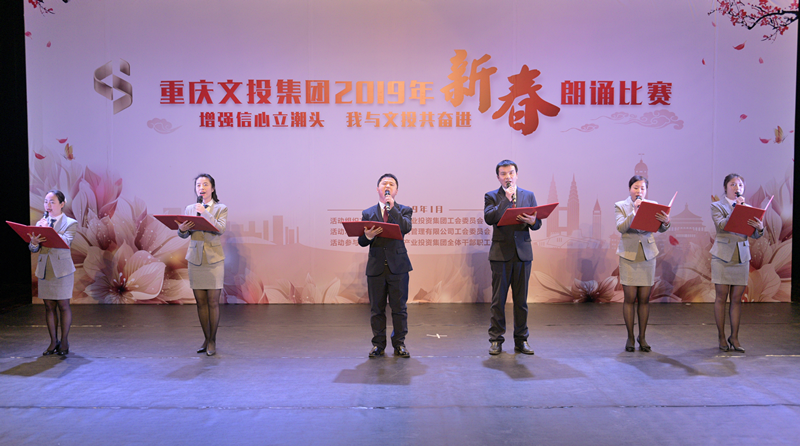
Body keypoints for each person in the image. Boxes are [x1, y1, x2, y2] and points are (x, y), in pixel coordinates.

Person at [484, 160, 541, 356]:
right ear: (498, 177)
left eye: (511, 173)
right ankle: (496, 339)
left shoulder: (528, 195)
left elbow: (537, 223)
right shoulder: (492, 196)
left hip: (522, 254)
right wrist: (506, 200)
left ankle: (521, 339)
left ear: (516, 175)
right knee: (498, 300)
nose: (508, 177)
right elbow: (490, 218)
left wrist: (533, 221)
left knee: (521, 301)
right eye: (503, 174)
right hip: (500, 254)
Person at [358, 173, 413, 358]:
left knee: (399, 309)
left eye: (391, 184)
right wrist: (368, 236)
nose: (387, 186)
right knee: (377, 309)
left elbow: (406, 227)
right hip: (376, 267)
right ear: (377, 189)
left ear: (396, 190)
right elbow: (361, 241)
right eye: (384, 184)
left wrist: (393, 208)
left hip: (398, 267)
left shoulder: (404, 210)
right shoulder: (368, 213)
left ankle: (399, 344)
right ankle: (378, 345)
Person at [614, 175, 670, 352]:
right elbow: (621, 227)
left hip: (647, 254)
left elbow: (659, 228)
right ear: (630, 189)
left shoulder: (652, 205)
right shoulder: (620, 205)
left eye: (643, 188)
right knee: (630, 298)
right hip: (628, 254)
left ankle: (643, 337)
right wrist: (634, 211)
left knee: (644, 299)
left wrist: (666, 223)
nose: (639, 191)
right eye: (636, 187)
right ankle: (630, 337)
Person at [710, 173, 764, 353]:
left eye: (740, 185)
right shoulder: (717, 206)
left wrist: (760, 229)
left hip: (741, 256)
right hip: (722, 256)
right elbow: (722, 225)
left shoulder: (747, 208)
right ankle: (721, 337)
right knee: (721, 297)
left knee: (736, 300)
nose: (736, 187)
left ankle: (734, 337)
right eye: (732, 184)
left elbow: (754, 234)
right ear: (725, 187)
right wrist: (736, 209)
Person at [176, 174, 228, 356]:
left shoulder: (221, 208)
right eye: (198, 185)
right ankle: (206, 338)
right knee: (201, 303)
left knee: (213, 302)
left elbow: (220, 229)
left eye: (205, 184)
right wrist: (181, 230)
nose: (201, 188)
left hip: (214, 260)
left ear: (212, 188)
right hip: (195, 259)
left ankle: (213, 340)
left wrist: (205, 213)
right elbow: (185, 234)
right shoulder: (190, 208)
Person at [28, 190, 78, 356]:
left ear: (62, 204)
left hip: (62, 270)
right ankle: (53, 341)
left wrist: (48, 229)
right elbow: (33, 249)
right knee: (49, 306)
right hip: (45, 269)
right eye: (45, 202)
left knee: (63, 305)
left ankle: (64, 342)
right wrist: (34, 242)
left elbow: (66, 243)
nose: (47, 205)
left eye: (52, 202)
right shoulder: (41, 222)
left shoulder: (70, 223)